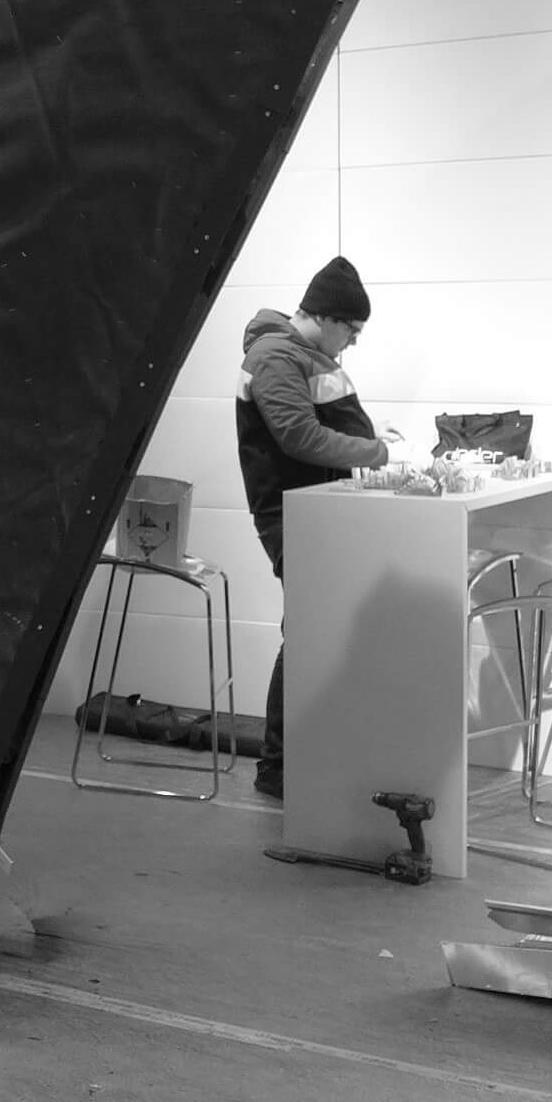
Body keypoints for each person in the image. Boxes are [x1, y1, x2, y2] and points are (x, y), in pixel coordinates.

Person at [234, 256, 401, 801]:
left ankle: (305, 757)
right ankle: (278, 768)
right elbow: (299, 437)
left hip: (319, 513)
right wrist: (380, 453)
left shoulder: (302, 355)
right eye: (351, 330)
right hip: (293, 516)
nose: (352, 342)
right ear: (327, 318)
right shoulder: (275, 356)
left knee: (317, 630)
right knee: (307, 632)